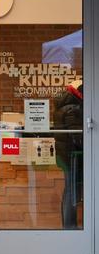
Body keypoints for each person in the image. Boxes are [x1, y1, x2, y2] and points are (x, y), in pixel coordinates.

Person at [53, 80, 83, 229]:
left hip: (66, 155)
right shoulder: (73, 108)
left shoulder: (64, 105)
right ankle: (70, 227)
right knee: (72, 191)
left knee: (70, 189)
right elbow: (77, 137)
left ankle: (69, 226)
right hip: (73, 156)